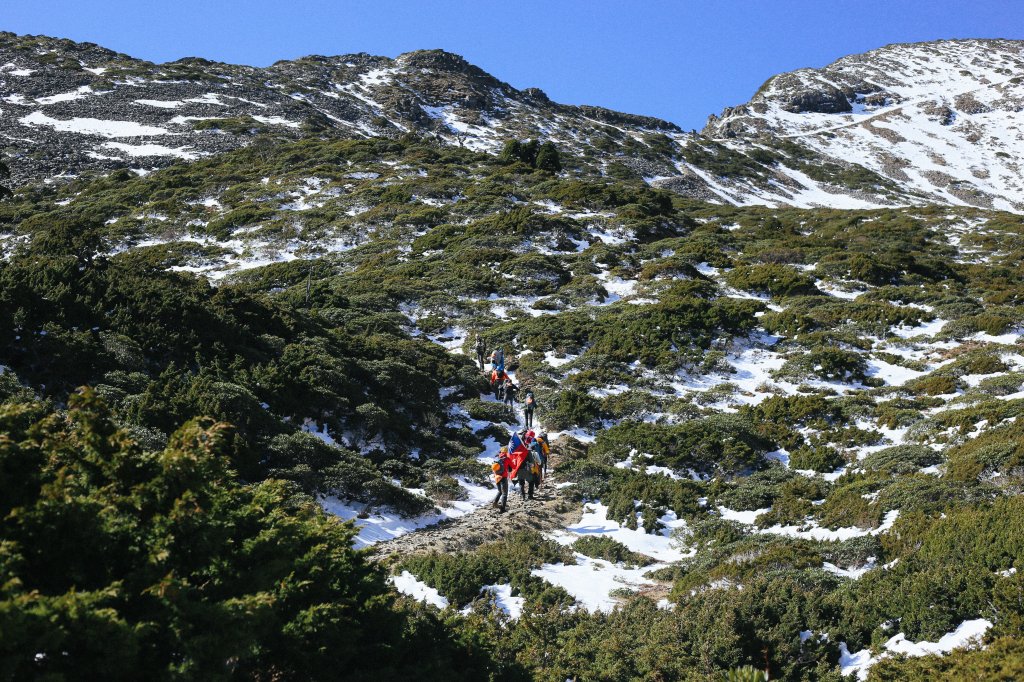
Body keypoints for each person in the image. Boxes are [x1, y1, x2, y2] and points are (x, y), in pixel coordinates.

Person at [491, 447, 511, 513]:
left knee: (500, 491)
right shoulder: (507, 459)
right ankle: (502, 509)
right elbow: (513, 466)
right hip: (503, 477)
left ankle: (495, 502)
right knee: (504, 493)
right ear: (506, 452)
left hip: (496, 477)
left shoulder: (497, 457)